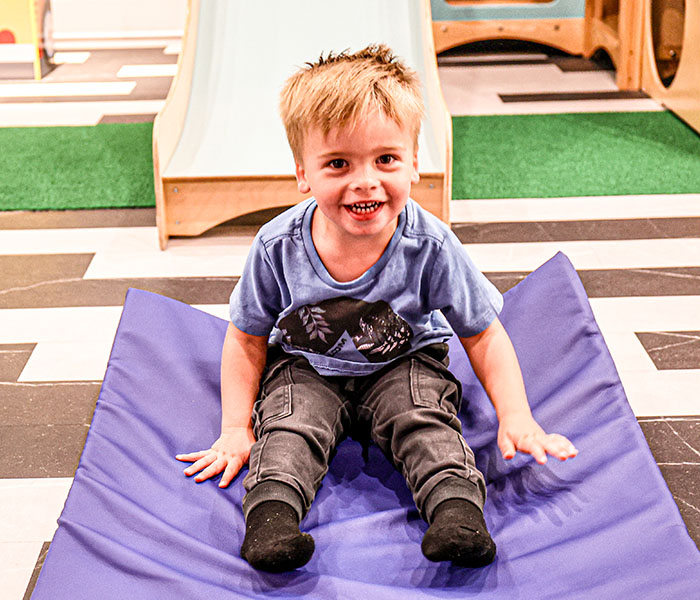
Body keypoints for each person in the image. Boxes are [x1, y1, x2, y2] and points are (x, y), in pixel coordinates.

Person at [176, 44, 578, 573]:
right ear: (304, 173)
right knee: (289, 426)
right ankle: (272, 521)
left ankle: (457, 514)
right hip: (308, 366)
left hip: (402, 362)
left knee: (424, 420)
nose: (365, 180)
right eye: (338, 163)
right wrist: (234, 428)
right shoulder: (278, 245)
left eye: (385, 159)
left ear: (414, 162)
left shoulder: (430, 245)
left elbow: (484, 334)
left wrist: (517, 417)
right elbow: (246, 336)